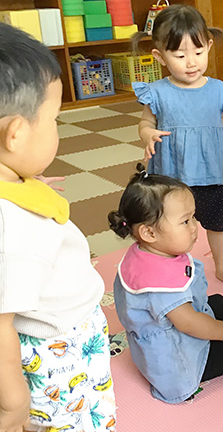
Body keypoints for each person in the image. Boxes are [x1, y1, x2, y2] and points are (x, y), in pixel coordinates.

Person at [0, 23, 116, 432]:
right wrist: (13, 406)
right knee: (75, 422)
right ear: (15, 134)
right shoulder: (11, 230)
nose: (56, 130)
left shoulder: (9, 184)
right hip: (55, 349)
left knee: (95, 407)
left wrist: (23, 183)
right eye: (54, 120)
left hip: (72, 333)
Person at [108, 166, 223, 404]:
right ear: (149, 232)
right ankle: (221, 341)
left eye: (193, 217)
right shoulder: (159, 283)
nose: (195, 226)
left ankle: (222, 325)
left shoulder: (145, 252)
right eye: (185, 221)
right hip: (176, 359)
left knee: (218, 303)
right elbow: (189, 324)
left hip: (167, 326)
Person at [132, 4, 223, 290]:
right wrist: (148, 133)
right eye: (179, 55)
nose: (191, 63)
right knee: (170, 227)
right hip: (172, 175)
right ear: (160, 56)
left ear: (209, 47)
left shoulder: (219, 90)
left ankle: (222, 267)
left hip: (214, 172)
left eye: (198, 53)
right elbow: (144, 123)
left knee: (218, 224)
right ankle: (173, 270)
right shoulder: (157, 93)